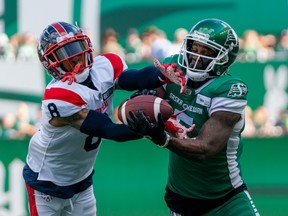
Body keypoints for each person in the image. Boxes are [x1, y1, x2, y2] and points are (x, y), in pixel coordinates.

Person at [22, 21, 184, 216]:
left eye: (75, 48)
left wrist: (161, 75)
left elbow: (136, 77)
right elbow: (109, 130)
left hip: (81, 179)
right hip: (46, 180)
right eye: (64, 55)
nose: (74, 57)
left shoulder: (105, 65)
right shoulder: (59, 96)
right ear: (51, 63)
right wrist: (150, 129)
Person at [127, 18, 260, 215]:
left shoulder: (229, 88)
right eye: (194, 48)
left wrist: (163, 139)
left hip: (227, 200)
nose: (196, 56)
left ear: (224, 58)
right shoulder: (173, 67)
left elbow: (204, 148)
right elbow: (152, 100)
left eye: (206, 52)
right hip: (182, 200)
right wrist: (145, 100)